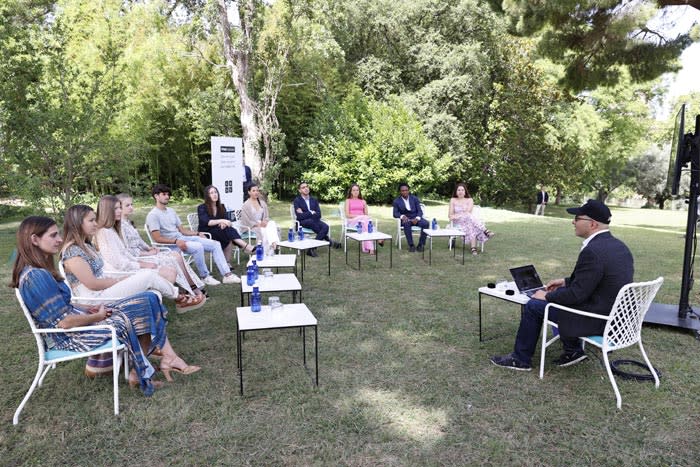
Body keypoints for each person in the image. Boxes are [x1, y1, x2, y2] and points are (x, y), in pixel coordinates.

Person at [12, 216, 200, 395]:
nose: (59, 239)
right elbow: (65, 323)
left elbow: (64, 309)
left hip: (78, 326)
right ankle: (144, 370)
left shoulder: (38, 271)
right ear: (35, 240)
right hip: (72, 337)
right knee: (141, 308)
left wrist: (87, 310)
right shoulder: (36, 276)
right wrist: (97, 317)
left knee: (148, 299)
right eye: (53, 235)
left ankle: (141, 370)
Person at [491, 199, 634, 371]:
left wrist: (547, 295)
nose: (573, 222)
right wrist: (565, 282)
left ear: (593, 224)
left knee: (534, 305)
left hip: (598, 319)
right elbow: (597, 280)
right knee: (561, 293)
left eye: (577, 218)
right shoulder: (619, 246)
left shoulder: (593, 251)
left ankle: (520, 359)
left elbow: (576, 295)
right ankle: (573, 351)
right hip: (613, 316)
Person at [96, 195, 206, 313]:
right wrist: (143, 264)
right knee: (169, 271)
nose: (119, 211)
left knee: (171, 267)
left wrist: (144, 258)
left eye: (119, 207)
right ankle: (178, 299)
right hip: (119, 274)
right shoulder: (105, 232)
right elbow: (119, 263)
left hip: (130, 264)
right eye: (116, 209)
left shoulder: (112, 229)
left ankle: (180, 297)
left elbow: (126, 254)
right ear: (106, 211)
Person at [61, 204, 180, 303]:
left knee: (145, 275)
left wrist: (125, 278)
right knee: (148, 276)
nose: (96, 224)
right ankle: (179, 297)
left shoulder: (85, 245)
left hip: (102, 291)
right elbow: (93, 284)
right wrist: (120, 280)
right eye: (91, 220)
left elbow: (100, 276)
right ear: (77, 223)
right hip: (94, 298)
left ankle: (178, 298)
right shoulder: (73, 252)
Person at [146, 184, 240, 285]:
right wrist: (176, 241)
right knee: (198, 246)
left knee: (215, 244)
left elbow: (182, 230)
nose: (167, 196)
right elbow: (157, 238)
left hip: (182, 238)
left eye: (168, 194)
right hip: (171, 245)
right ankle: (205, 276)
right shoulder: (153, 215)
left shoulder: (171, 211)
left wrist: (197, 233)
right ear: (156, 196)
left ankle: (227, 275)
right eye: (164, 194)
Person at [197, 185, 256, 262]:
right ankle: (245, 247)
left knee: (228, 231)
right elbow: (207, 222)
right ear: (207, 196)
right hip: (207, 233)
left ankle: (227, 262)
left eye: (215, 192)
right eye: (211, 193)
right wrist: (222, 221)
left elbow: (227, 221)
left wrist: (224, 223)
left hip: (219, 231)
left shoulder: (221, 206)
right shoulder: (202, 207)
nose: (214, 194)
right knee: (228, 233)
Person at [293, 181, 341, 257]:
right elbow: (299, 217)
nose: (306, 189)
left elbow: (319, 214)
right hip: (302, 223)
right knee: (311, 222)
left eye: (307, 187)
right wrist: (311, 213)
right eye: (303, 187)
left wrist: (305, 214)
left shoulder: (314, 200)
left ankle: (311, 249)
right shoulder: (297, 200)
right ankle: (329, 240)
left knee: (326, 226)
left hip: (314, 221)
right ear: (300, 190)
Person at [448, 183, 494, 256]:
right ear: (456, 192)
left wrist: (458, 214)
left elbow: (468, 212)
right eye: (459, 190)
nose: (460, 192)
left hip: (468, 221)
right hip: (458, 222)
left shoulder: (469, 200)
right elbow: (450, 216)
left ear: (465, 191)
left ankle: (473, 248)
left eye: (462, 190)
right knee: (469, 217)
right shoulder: (453, 200)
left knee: (470, 222)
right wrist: (460, 215)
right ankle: (485, 231)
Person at [239, 183, 281, 254]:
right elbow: (246, 220)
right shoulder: (246, 205)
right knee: (265, 230)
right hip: (252, 227)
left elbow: (266, 216)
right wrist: (258, 224)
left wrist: (265, 221)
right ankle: (272, 248)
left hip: (263, 224)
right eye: (253, 191)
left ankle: (272, 245)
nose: (256, 192)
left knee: (272, 223)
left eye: (257, 191)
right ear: (249, 192)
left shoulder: (262, 203)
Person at [344, 183, 382, 254]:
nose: (356, 192)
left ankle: (371, 249)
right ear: (351, 192)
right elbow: (347, 215)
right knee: (367, 224)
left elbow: (366, 214)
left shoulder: (363, 201)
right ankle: (378, 239)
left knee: (365, 224)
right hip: (352, 221)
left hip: (363, 222)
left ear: (359, 191)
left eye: (357, 190)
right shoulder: (348, 201)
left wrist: (362, 218)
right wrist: (359, 216)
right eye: (354, 190)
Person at [392, 183, 429, 252]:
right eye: (403, 190)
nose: (405, 192)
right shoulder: (396, 201)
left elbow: (420, 211)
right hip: (406, 219)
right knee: (406, 223)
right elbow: (395, 213)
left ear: (408, 191)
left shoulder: (414, 198)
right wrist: (402, 216)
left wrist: (417, 218)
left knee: (426, 223)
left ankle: (420, 245)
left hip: (416, 218)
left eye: (406, 190)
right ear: (400, 192)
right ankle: (411, 245)